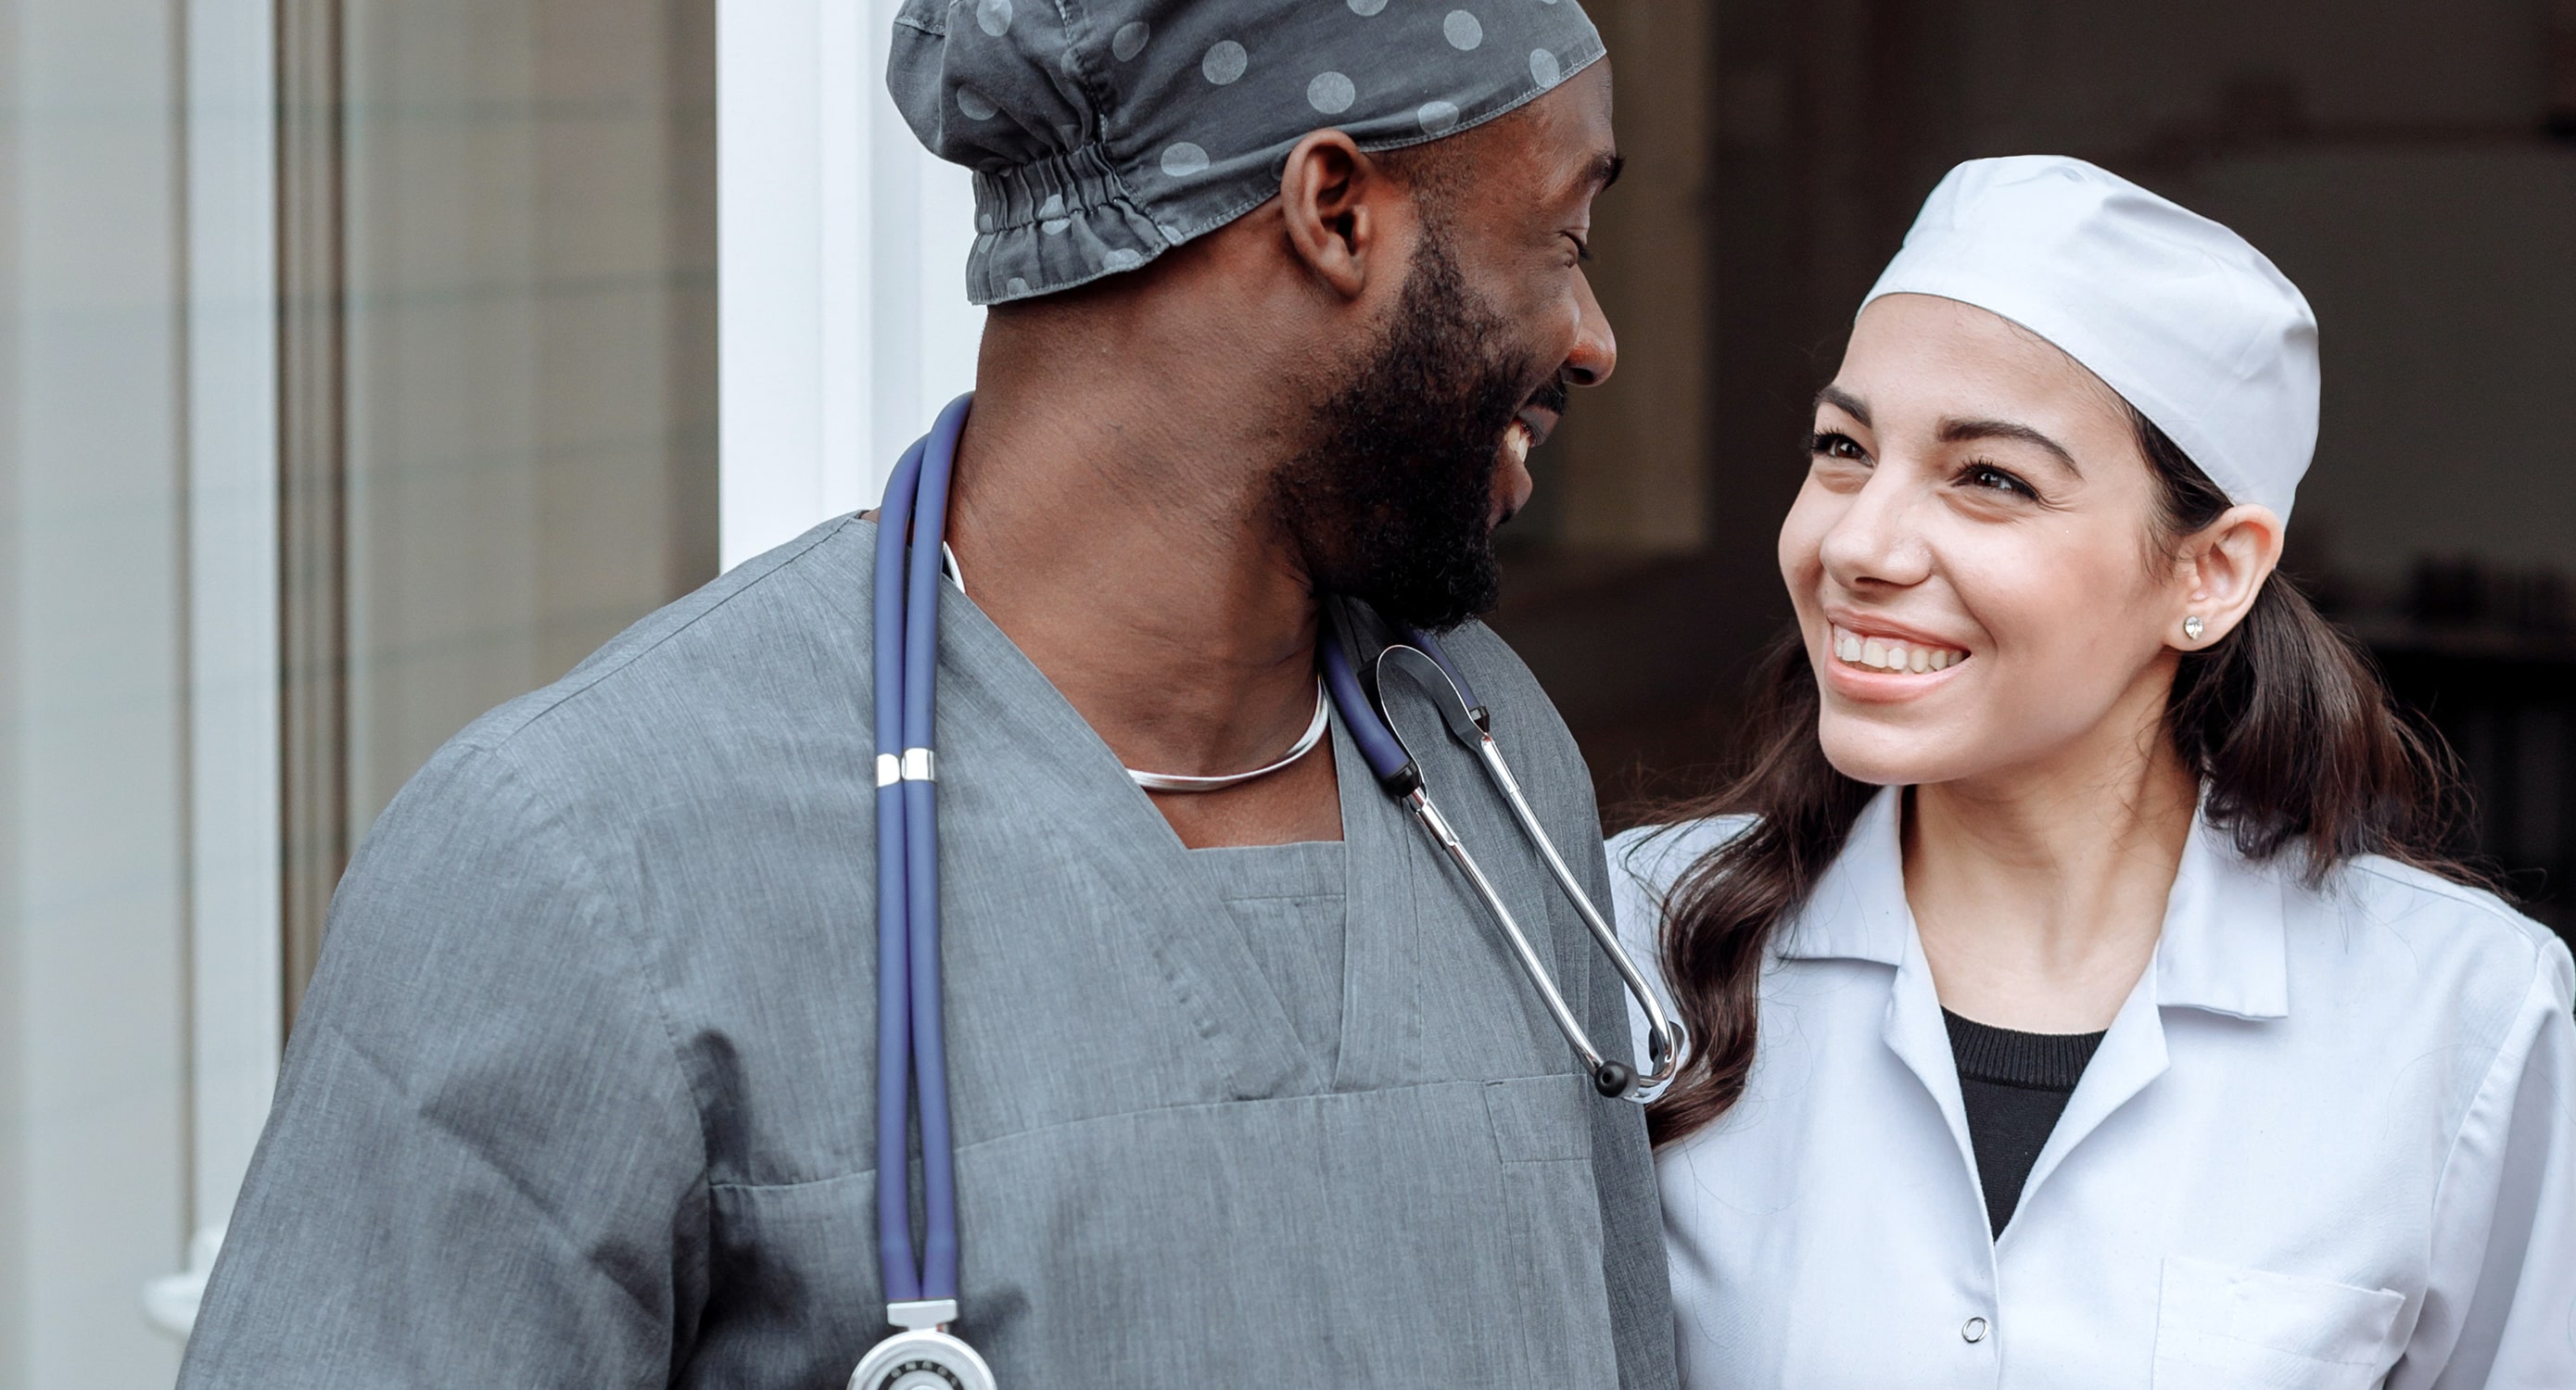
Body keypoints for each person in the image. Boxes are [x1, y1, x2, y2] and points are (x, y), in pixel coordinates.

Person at [180, 2, 1679, 1385]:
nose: (1595, 342)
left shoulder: (1489, 761)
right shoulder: (579, 864)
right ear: (1333, 211)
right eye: (1565, 237)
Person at [1608, 157, 2576, 1388]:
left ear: (2211, 574)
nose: (1857, 542)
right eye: (1842, 448)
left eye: (1991, 479)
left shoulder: (2459, 1013)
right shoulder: (1627, 936)